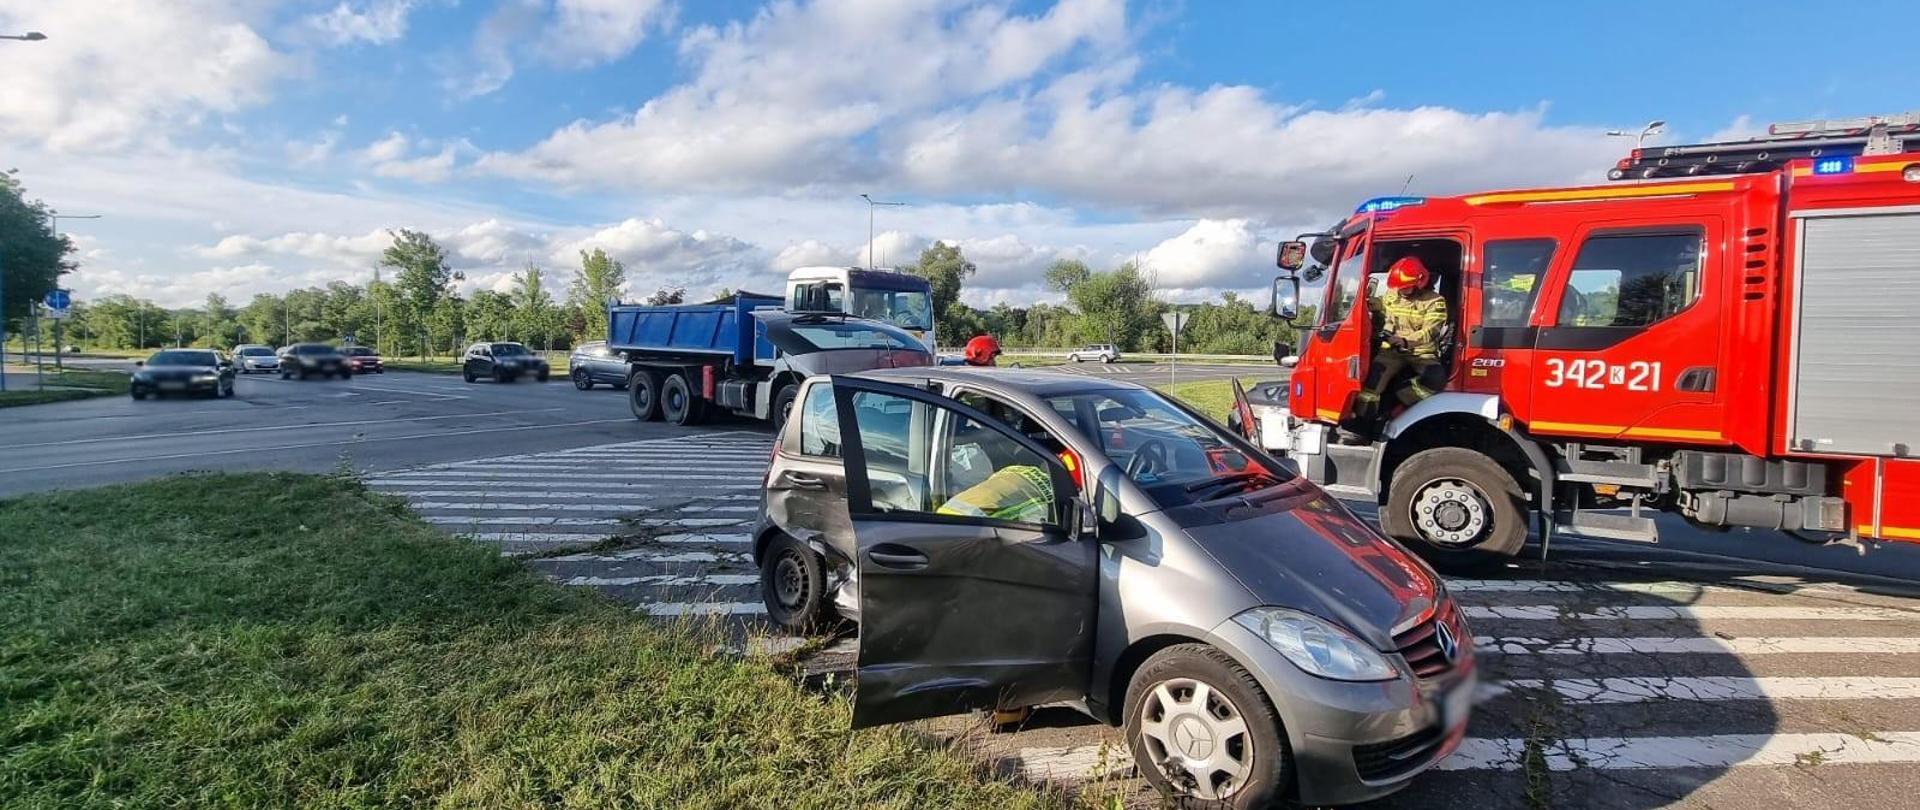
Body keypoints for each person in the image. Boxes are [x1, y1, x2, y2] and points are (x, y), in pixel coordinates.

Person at [1342, 255, 1449, 442]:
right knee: (1373, 381)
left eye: (1405, 287)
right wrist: (1366, 301)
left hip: (1420, 351)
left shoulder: (1435, 302)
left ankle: (1398, 399)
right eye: (1397, 287)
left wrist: (1405, 341)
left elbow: (1430, 332)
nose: (1401, 291)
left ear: (1420, 282)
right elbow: (1382, 305)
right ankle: (1360, 427)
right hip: (1390, 350)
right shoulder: (1393, 294)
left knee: (1435, 377)